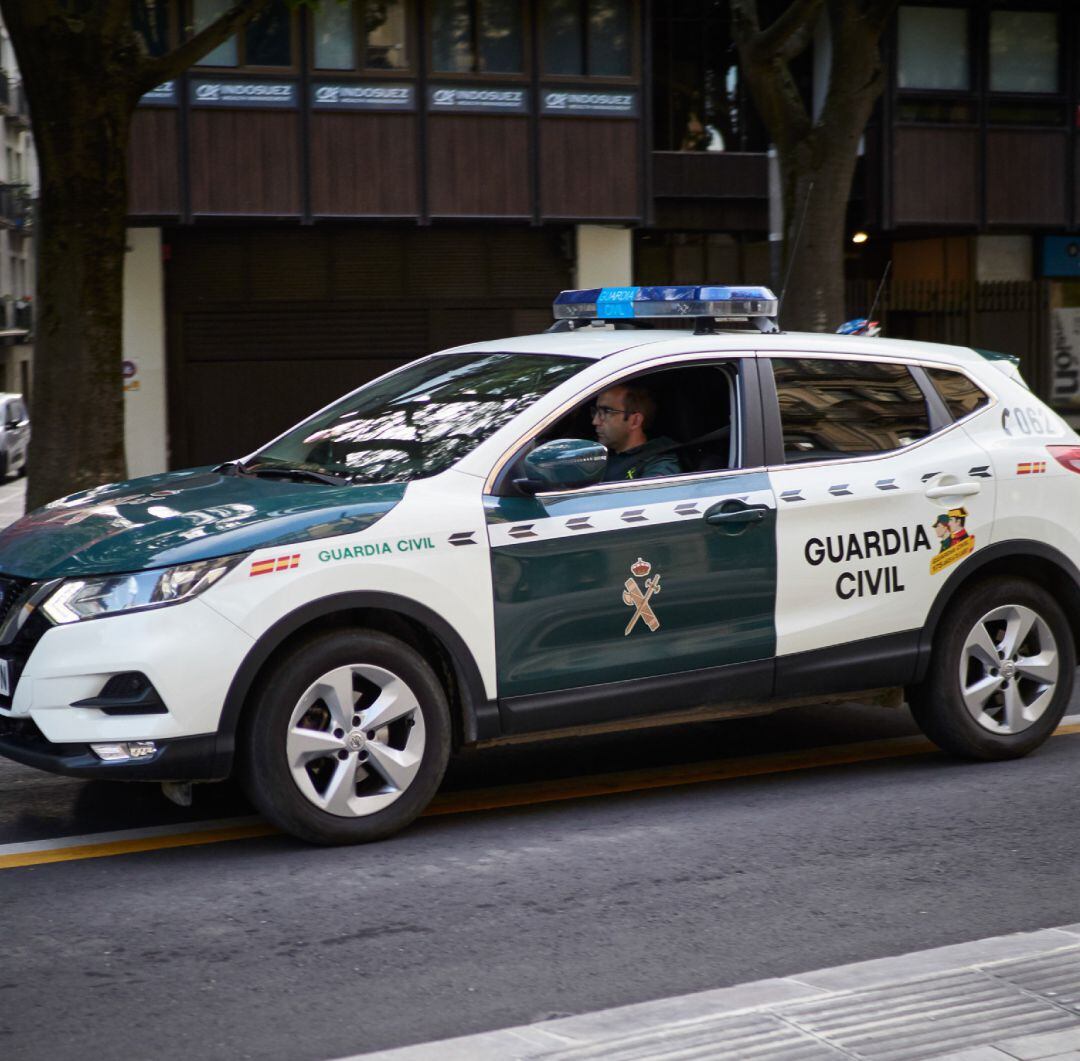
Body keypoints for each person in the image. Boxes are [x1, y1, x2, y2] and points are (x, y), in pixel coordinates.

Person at [591, 384, 683, 482]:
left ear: (635, 421)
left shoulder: (659, 463)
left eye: (606, 412)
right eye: (596, 411)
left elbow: (654, 493)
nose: (595, 421)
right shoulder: (599, 454)